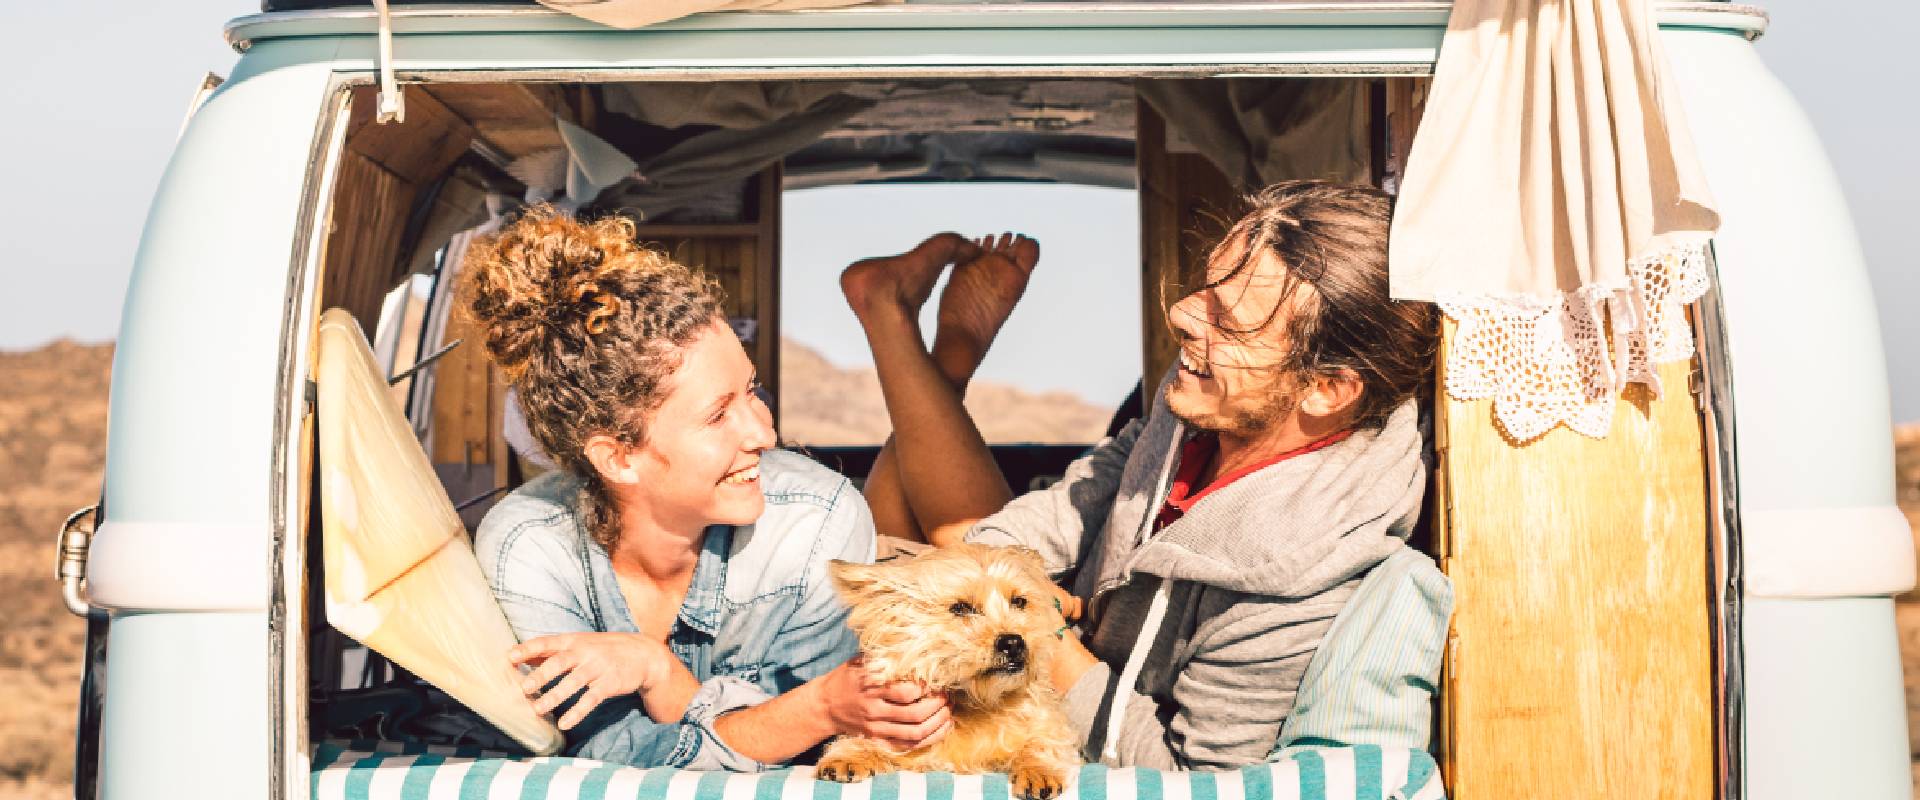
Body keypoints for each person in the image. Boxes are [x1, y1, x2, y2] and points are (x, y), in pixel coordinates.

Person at [841, 181, 1439, 769]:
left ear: (1327, 389)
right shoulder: (1213, 398)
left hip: (1078, 709)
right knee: (952, 561)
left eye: (1230, 322)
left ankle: (904, 327)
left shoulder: (1300, 580)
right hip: (1067, 628)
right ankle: (921, 339)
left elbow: (1185, 774)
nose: (1182, 314)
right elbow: (1102, 479)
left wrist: (1039, 630)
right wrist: (1002, 567)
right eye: (1207, 288)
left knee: (926, 562)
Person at [461, 207, 952, 770]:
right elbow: (594, 753)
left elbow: (815, 756)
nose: (764, 433)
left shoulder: (818, 522)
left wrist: (658, 672)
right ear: (618, 457)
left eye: (753, 391)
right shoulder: (529, 548)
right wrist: (813, 709)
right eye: (718, 415)